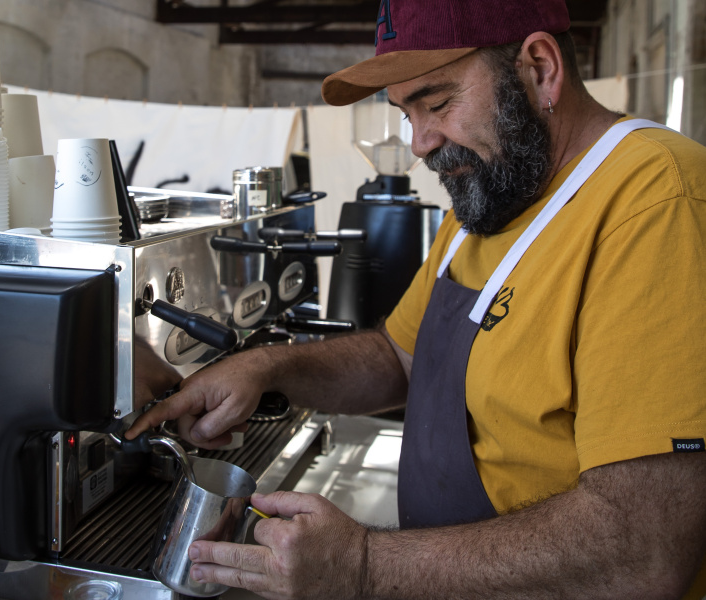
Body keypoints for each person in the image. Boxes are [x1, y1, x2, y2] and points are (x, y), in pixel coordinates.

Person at [127, 0, 706, 597]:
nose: (420, 143)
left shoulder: (656, 202)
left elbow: (644, 547)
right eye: (406, 112)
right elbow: (400, 356)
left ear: (539, 68)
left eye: (438, 102)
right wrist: (266, 369)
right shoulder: (493, 192)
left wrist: (363, 565)